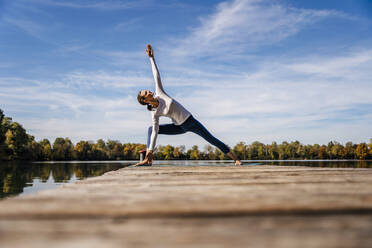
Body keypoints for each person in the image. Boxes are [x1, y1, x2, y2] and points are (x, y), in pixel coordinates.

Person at [135, 44, 242, 166]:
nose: (149, 91)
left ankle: (236, 159)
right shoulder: (154, 113)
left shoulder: (160, 93)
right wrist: (150, 150)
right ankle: (148, 157)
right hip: (179, 127)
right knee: (151, 129)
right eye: (146, 93)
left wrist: (151, 58)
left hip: (191, 122)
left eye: (147, 90)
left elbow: (156, 75)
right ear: (145, 101)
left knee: (211, 139)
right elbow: (155, 131)